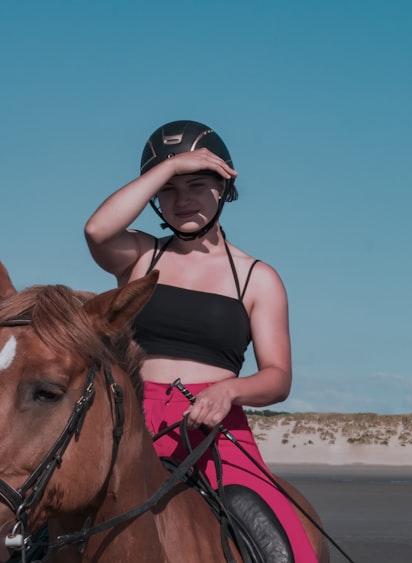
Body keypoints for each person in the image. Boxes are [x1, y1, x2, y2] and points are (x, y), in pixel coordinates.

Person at [84, 120, 317, 562]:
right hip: (129, 420)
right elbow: (97, 231)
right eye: (170, 189)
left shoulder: (256, 278)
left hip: (214, 427)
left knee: (286, 546)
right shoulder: (139, 255)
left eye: (197, 183)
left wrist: (229, 390)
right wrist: (168, 166)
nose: (183, 198)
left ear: (225, 189)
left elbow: (278, 377)